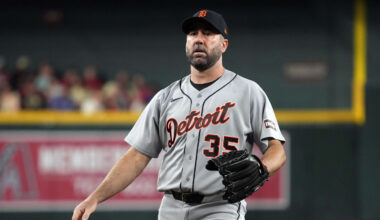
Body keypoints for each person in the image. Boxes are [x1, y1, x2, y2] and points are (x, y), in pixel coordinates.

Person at [72, 9, 286, 220]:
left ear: (224, 44)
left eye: (208, 33)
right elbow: (136, 156)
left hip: (220, 207)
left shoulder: (248, 91)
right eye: (193, 34)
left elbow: (277, 150)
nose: (199, 39)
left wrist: (261, 167)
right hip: (171, 208)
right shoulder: (165, 97)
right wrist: (94, 198)